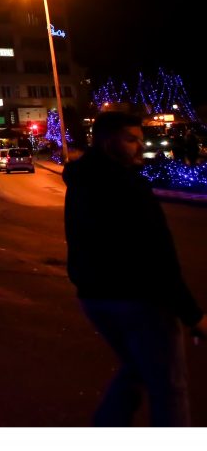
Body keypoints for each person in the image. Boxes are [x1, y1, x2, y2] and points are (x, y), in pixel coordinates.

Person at [63, 111, 205, 426]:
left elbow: (77, 238)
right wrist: (192, 314)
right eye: (131, 140)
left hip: (95, 297)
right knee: (170, 388)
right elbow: (157, 254)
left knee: (138, 368)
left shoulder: (81, 180)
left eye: (140, 139)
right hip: (141, 300)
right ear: (106, 141)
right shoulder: (126, 185)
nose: (140, 147)